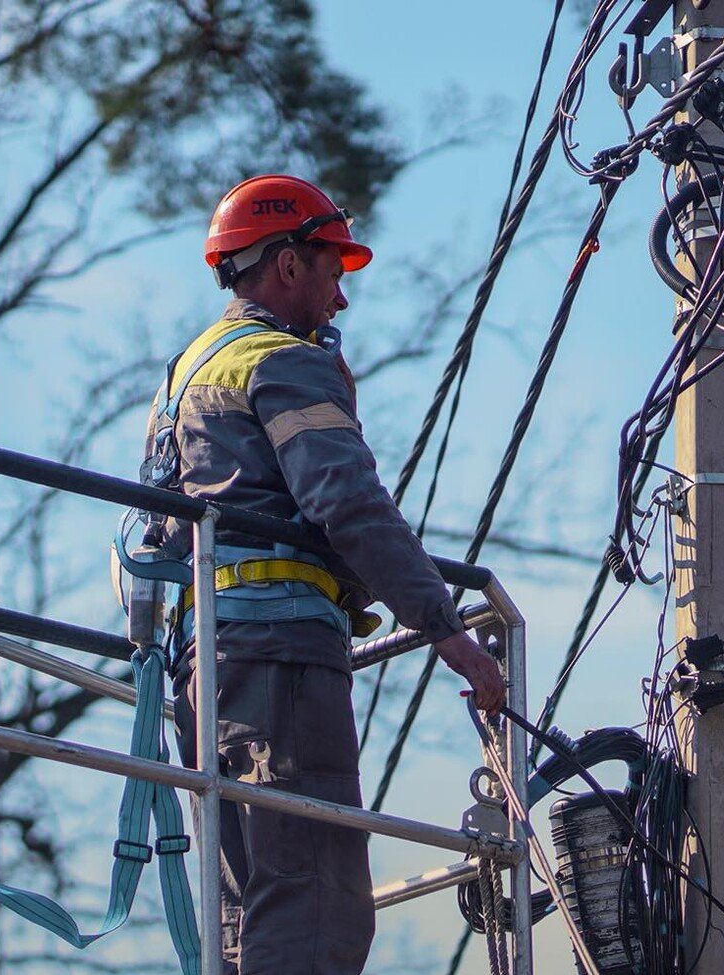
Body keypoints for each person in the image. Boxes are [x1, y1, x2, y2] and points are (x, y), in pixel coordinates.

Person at [156, 174, 506, 974]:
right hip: (280, 662)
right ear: (287, 266)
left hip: (201, 671)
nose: (340, 301)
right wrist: (447, 630)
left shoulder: (189, 371)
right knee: (315, 901)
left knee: (250, 907)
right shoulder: (281, 361)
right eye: (331, 272)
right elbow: (347, 504)